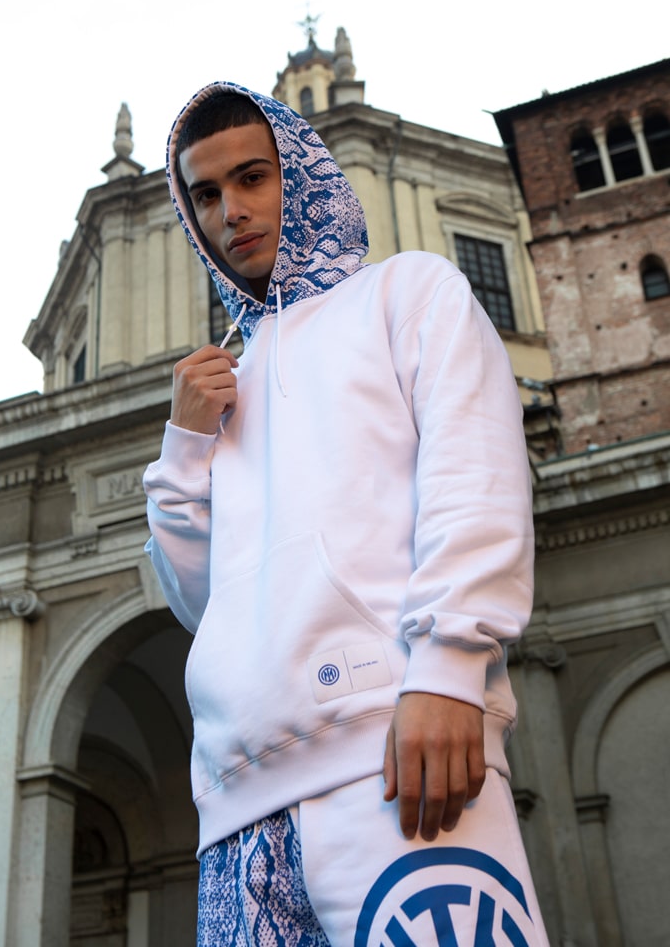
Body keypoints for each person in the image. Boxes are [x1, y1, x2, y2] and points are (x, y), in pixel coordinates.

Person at [143, 83, 550, 946]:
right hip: (238, 804)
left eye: (252, 178)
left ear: (302, 175)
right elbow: (202, 603)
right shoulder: (221, 383)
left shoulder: (409, 293)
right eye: (205, 195)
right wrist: (182, 450)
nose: (230, 212)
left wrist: (448, 669)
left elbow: (474, 473)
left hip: (397, 747)